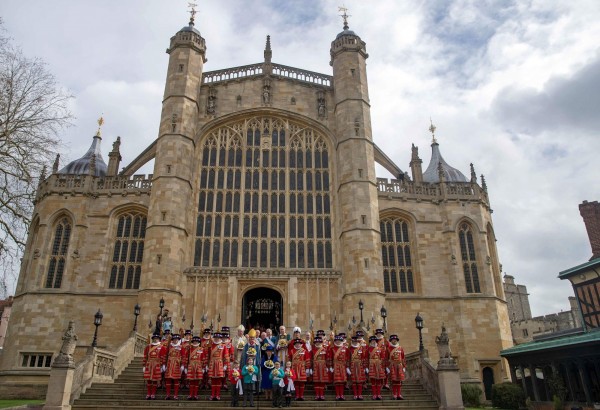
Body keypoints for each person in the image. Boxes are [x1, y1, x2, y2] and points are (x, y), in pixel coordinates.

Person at [143, 333, 166, 400]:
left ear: (159, 339)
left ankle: (153, 394)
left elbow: (163, 357)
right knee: (149, 380)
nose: (155, 340)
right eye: (154, 339)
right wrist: (144, 366)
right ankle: (148, 393)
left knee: (155, 380)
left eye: (157, 339)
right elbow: (145, 356)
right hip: (149, 364)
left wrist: (162, 365)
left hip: (157, 365)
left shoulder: (162, 347)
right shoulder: (148, 347)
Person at [164, 333, 187, 400]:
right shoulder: (169, 347)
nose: (175, 341)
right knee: (168, 380)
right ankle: (168, 395)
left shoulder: (181, 347)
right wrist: (164, 365)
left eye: (177, 339)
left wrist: (183, 365)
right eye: (174, 339)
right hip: (169, 364)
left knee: (176, 380)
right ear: (172, 340)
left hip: (177, 365)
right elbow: (166, 356)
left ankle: (175, 395)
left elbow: (183, 357)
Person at [208, 332, 229, 400]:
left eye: (218, 338)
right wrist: (206, 365)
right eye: (215, 338)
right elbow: (207, 356)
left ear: (220, 338)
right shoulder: (210, 346)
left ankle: (217, 395)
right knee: (213, 380)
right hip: (212, 364)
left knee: (218, 380)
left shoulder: (223, 346)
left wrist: (225, 365)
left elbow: (226, 356)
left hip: (220, 364)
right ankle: (212, 395)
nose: (217, 339)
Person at [186, 335, 206, 400]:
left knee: (196, 381)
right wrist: (185, 366)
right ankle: (190, 394)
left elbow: (204, 359)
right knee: (191, 381)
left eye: (196, 341)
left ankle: (195, 395)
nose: (195, 342)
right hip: (191, 366)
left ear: (198, 342)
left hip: (198, 366)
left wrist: (203, 367)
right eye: (194, 341)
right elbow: (186, 358)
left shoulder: (201, 349)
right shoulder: (189, 349)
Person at [348, 335, 368, 400]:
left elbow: (363, 358)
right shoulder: (349, 349)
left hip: (360, 365)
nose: (355, 342)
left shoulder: (361, 348)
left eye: (356, 341)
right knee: (354, 381)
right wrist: (347, 368)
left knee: (360, 381)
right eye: (353, 341)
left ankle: (359, 394)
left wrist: (365, 367)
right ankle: (355, 394)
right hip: (352, 365)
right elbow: (348, 359)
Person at [387, 334, 406, 400]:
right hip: (392, 366)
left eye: (395, 340)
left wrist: (404, 366)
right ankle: (394, 394)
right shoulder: (388, 348)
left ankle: (399, 394)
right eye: (393, 340)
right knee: (393, 381)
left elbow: (403, 357)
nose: (394, 341)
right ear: (391, 341)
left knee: (399, 381)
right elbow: (386, 358)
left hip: (399, 366)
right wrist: (387, 367)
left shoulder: (400, 348)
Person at [310, 336, 329, 401]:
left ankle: (322, 395)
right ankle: (317, 395)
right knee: (316, 382)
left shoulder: (325, 350)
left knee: (322, 382)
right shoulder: (312, 351)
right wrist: (310, 368)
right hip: (315, 367)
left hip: (323, 367)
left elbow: (327, 359)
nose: (318, 343)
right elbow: (310, 360)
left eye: (319, 342)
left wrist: (328, 367)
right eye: (316, 342)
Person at [331, 334, 349, 400]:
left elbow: (347, 358)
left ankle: (341, 394)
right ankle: (337, 395)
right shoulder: (332, 349)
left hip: (343, 366)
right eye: (337, 340)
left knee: (342, 382)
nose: (338, 342)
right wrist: (330, 366)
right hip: (335, 366)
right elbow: (330, 358)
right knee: (337, 381)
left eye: (339, 340)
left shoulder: (345, 349)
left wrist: (347, 367)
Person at [368, 335, 386, 400]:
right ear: (370, 341)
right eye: (372, 341)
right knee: (373, 381)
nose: (373, 342)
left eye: (374, 340)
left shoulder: (379, 349)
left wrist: (383, 366)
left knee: (378, 381)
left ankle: (378, 394)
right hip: (372, 365)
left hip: (379, 366)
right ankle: (374, 394)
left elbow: (382, 358)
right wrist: (366, 367)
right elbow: (365, 358)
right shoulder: (368, 349)